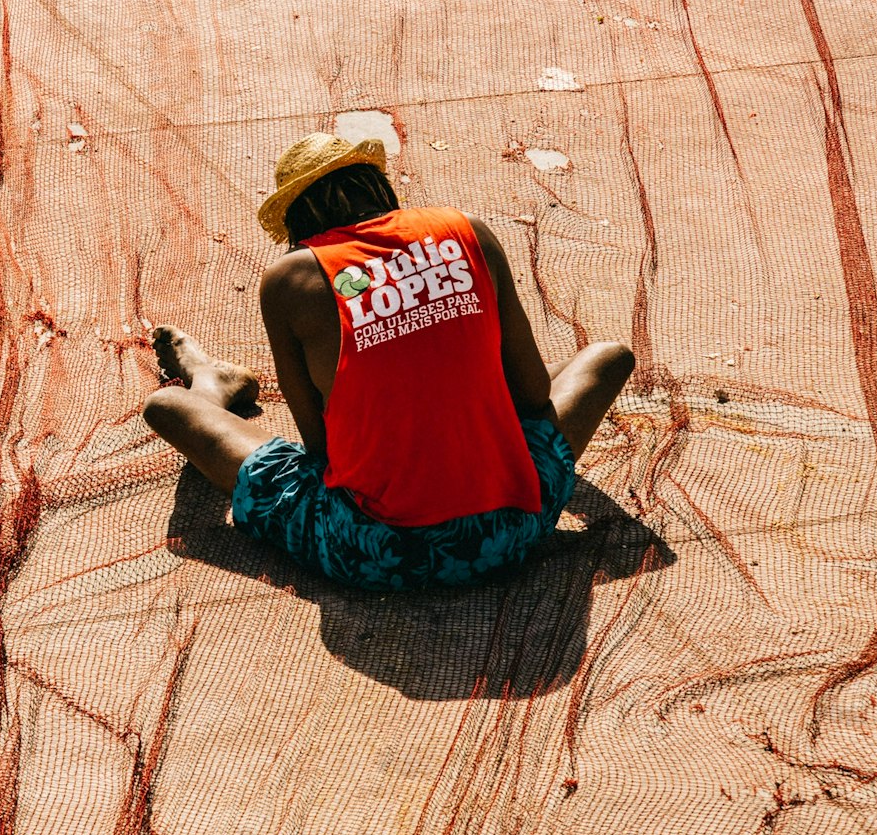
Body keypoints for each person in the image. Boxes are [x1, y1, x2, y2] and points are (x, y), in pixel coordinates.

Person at [142, 133, 634, 593]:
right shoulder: (468, 232)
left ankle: (209, 384)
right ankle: (472, 426)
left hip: (378, 553)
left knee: (168, 406)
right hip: (515, 530)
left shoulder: (291, 278)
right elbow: (532, 395)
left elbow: (320, 449)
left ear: (296, 220)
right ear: (378, 186)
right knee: (608, 357)